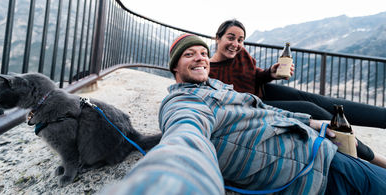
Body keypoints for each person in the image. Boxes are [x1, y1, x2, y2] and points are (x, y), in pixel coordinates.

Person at [102, 34, 386, 195]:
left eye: (202, 53)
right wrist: (168, 181)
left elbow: (259, 104)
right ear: (174, 68)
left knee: (318, 108)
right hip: (310, 170)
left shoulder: (217, 84)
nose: (200, 57)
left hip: (314, 147)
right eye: (189, 55)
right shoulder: (183, 101)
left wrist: (311, 122)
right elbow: (185, 135)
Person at [209, 19, 386, 168]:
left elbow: (254, 75)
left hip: (262, 90)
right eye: (230, 38)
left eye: (240, 40)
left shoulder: (241, 55)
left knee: (317, 100)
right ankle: (375, 159)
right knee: (311, 109)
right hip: (253, 107)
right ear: (217, 38)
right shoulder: (208, 71)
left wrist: (271, 72)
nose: (236, 44)